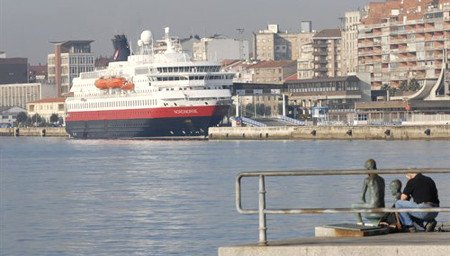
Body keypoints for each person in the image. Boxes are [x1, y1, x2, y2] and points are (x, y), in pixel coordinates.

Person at [352, 159, 385, 225]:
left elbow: (362, 197)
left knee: (354, 206)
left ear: (368, 168)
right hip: (382, 206)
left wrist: (365, 205)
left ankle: (360, 222)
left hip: (372, 206)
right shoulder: (382, 180)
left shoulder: (367, 180)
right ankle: (376, 223)